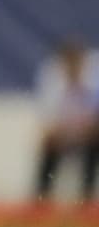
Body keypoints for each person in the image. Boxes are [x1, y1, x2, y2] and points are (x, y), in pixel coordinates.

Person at [33, 41, 99, 204]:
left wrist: (85, 132)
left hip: (89, 134)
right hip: (63, 134)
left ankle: (86, 199)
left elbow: (94, 120)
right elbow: (48, 122)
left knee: (94, 145)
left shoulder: (95, 78)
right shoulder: (51, 79)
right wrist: (58, 134)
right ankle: (41, 200)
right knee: (47, 145)